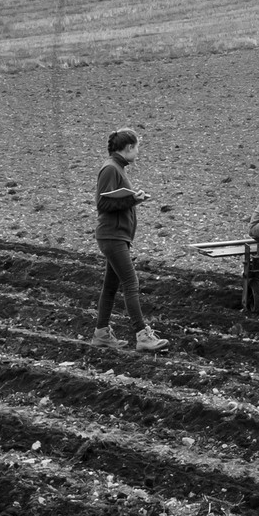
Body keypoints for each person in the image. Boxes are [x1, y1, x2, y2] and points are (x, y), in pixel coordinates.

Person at [90, 129, 169, 352]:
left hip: (116, 235)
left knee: (111, 286)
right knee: (131, 283)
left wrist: (133, 200)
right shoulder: (110, 169)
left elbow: (114, 202)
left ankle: (102, 334)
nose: (138, 151)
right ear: (128, 148)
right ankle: (143, 335)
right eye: (137, 147)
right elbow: (103, 204)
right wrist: (131, 200)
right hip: (112, 235)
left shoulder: (116, 168)